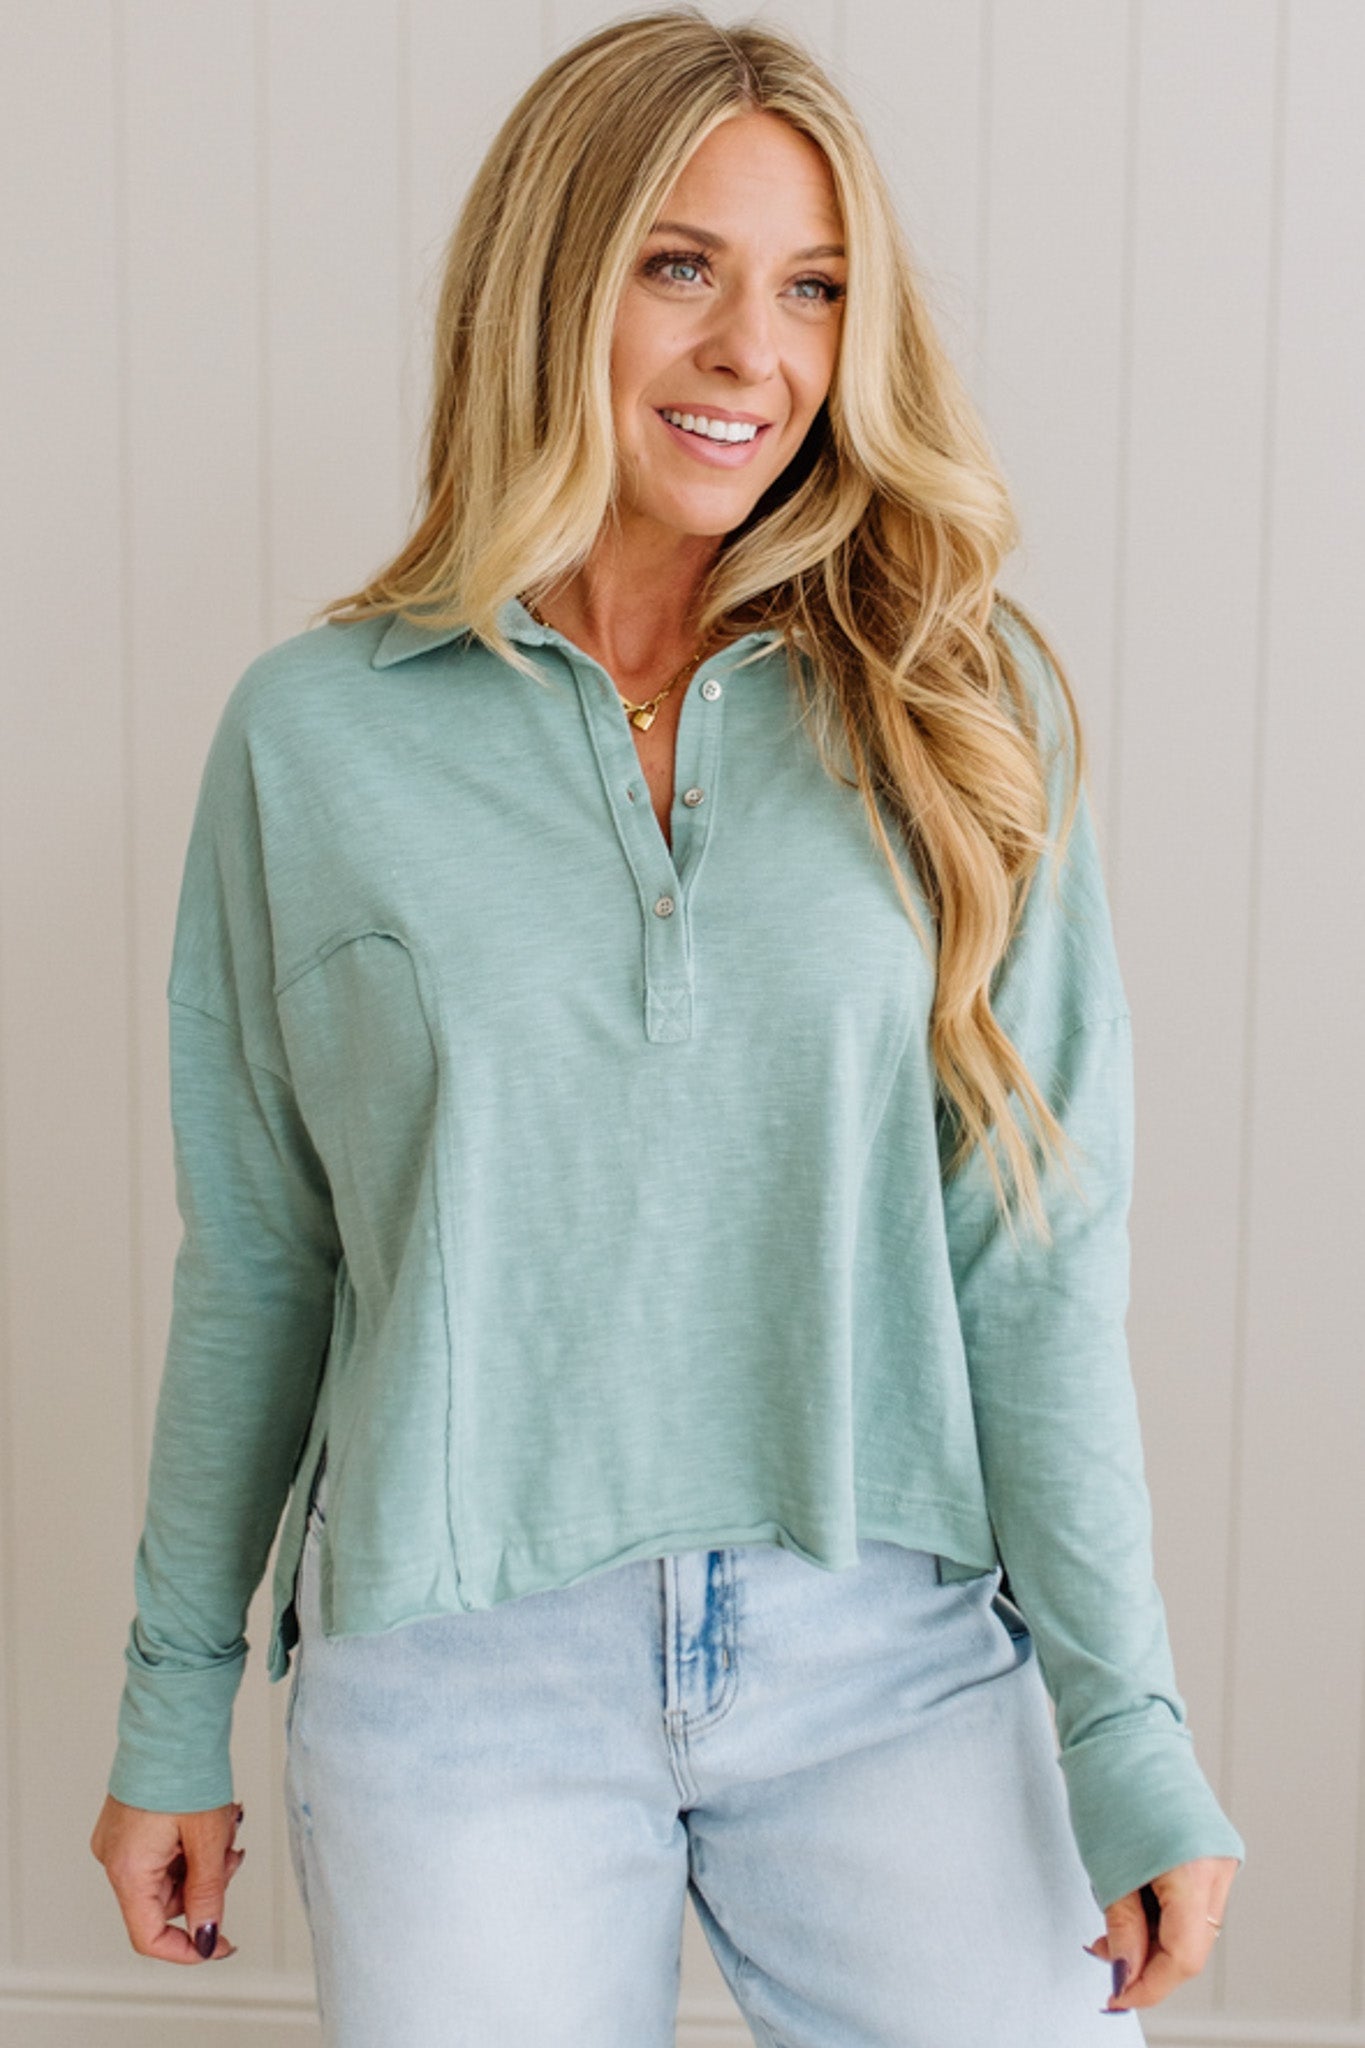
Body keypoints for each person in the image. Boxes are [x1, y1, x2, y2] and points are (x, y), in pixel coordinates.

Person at [90, 9, 1246, 2042]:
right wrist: (174, 1696)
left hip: (890, 1650)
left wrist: (1125, 1724)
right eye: (679, 266)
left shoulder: (959, 710)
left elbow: (1035, 1265)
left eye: (811, 288)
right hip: (454, 1676)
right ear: (547, 283)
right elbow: (267, 1257)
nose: (753, 354)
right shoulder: (315, 733)